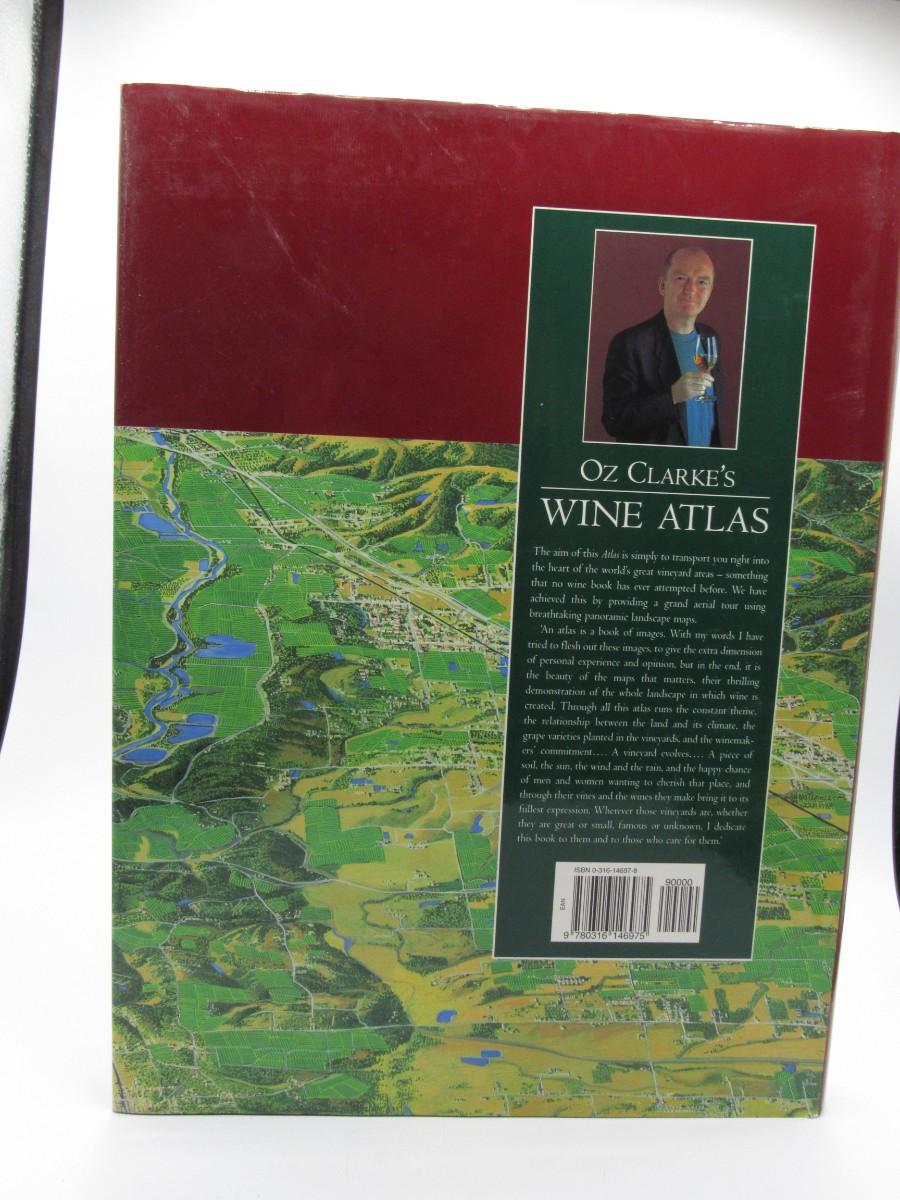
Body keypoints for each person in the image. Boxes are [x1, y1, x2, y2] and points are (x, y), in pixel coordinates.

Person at [601, 246, 723, 446]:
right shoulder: (630, 344)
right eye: (681, 278)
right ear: (662, 285)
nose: (691, 289)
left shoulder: (710, 338)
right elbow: (614, 421)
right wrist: (673, 396)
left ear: (710, 291)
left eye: (702, 282)